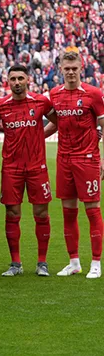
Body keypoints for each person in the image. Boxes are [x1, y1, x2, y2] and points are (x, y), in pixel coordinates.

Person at [0, 65, 57, 277]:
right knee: (12, 213)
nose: (17, 82)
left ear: (28, 79)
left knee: (41, 213)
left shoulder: (41, 101)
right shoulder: (0, 106)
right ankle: (15, 263)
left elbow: (56, 123)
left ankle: (42, 262)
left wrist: (40, 136)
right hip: (11, 168)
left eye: (21, 78)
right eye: (13, 79)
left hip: (37, 167)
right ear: (7, 82)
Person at [48, 51, 104, 278]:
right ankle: (74, 262)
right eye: (67, 68)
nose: (71, 72)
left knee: (92, 211)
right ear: (61, 69)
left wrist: (102, 159)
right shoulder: (54, 94)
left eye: (74, 68)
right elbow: (56, 124)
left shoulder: (94, 94)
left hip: (88, 159)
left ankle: (96, 263)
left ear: (81, 68)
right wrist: (34, 135)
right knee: (68, 212)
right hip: (64, 159)